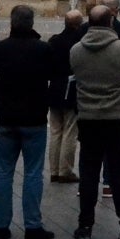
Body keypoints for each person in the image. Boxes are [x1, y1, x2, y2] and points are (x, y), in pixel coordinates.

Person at [70, 4, 120, 239]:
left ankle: (85, 226)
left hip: (88, 119)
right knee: (119, 174)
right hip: (117, 118)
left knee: (88, 173)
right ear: (111, 22)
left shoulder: (76, 51)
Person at [0, 5, 55, 239]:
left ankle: (0, 226)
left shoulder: (0, 48)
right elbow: (52, 73)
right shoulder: (42, 49)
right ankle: (32, 225)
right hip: (34, 118)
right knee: (33, 173)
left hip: (6, 117)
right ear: (31, 23)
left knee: (3, 172)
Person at [47, 10, 84, 183]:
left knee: (55, 131)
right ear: (78, 24)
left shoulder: (54, 40)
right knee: (70, 131)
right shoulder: (79, 43)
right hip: (71, 89)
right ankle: (65, 170)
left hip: (54, 88)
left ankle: (54, 170)